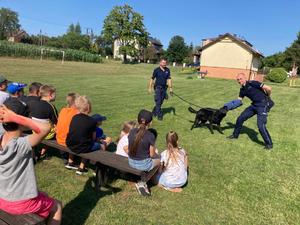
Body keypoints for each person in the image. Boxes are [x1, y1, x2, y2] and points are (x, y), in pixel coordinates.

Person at [0, 101, 62, 225]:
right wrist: (15, 117)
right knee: (57, 206)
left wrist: (11, 119)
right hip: (19, 203)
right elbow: (46, 128)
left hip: (3, 197)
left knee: (44, 194)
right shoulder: (20, 144)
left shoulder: (2, 139)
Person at [227, 73, 274, 149]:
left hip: (262, 105)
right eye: (238, 80)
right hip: (254, 105)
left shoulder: (253, 83)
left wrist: (268, 96)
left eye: (240, 79)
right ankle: (235, 135)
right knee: (240, 118)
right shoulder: (242, 89)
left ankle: (269, 144)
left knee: (260, 125)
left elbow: (269, 88)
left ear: (245, 78)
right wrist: (227, 107)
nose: (239, 81)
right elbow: (239, 100)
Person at [128, 109, 160, 196]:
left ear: (137, 119)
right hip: (143, 164)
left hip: (131, 161)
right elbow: (152, 154)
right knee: (159, 161)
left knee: (152, 160)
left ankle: (142, 182)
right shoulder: (150, 135)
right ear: (150, 123)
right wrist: (158, 156)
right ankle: (143, 182)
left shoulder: (131, 131)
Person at [66, 96, 100, 175]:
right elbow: (93, 138)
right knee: (101, 146)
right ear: (88, 108)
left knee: (78, 140)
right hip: (83, 147)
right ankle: (82, 167)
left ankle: (70, 162)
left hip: (70, 144)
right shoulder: (92, 121)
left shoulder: (74, 117)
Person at [30, 85, 58, 158]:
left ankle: (43, 150)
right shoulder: (51, 107)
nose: (56, 96)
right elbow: (57, 122)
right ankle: (45, 150)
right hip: (46, 135)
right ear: (50, 95)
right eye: (55, 94)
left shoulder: (35, 103)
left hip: (35, 131)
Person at [56, 93, 79, 168]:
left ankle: (66, 157)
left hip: (59, 139)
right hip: (67, 142)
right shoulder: (76, 113)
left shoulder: (63, 110)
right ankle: (71, 161)